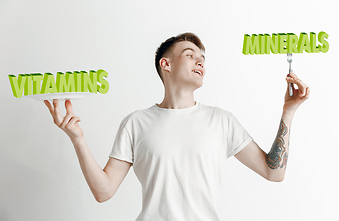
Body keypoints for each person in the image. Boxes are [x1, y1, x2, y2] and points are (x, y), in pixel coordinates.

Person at [44, 33, 310, 221]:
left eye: (203, 58)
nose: (200, 61)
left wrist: (288, 111)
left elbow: (274, 172)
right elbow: (103, 192)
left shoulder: (221, 121)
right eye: (190, 54)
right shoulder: (136, 123)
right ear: (166, 64)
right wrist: (77, 138)